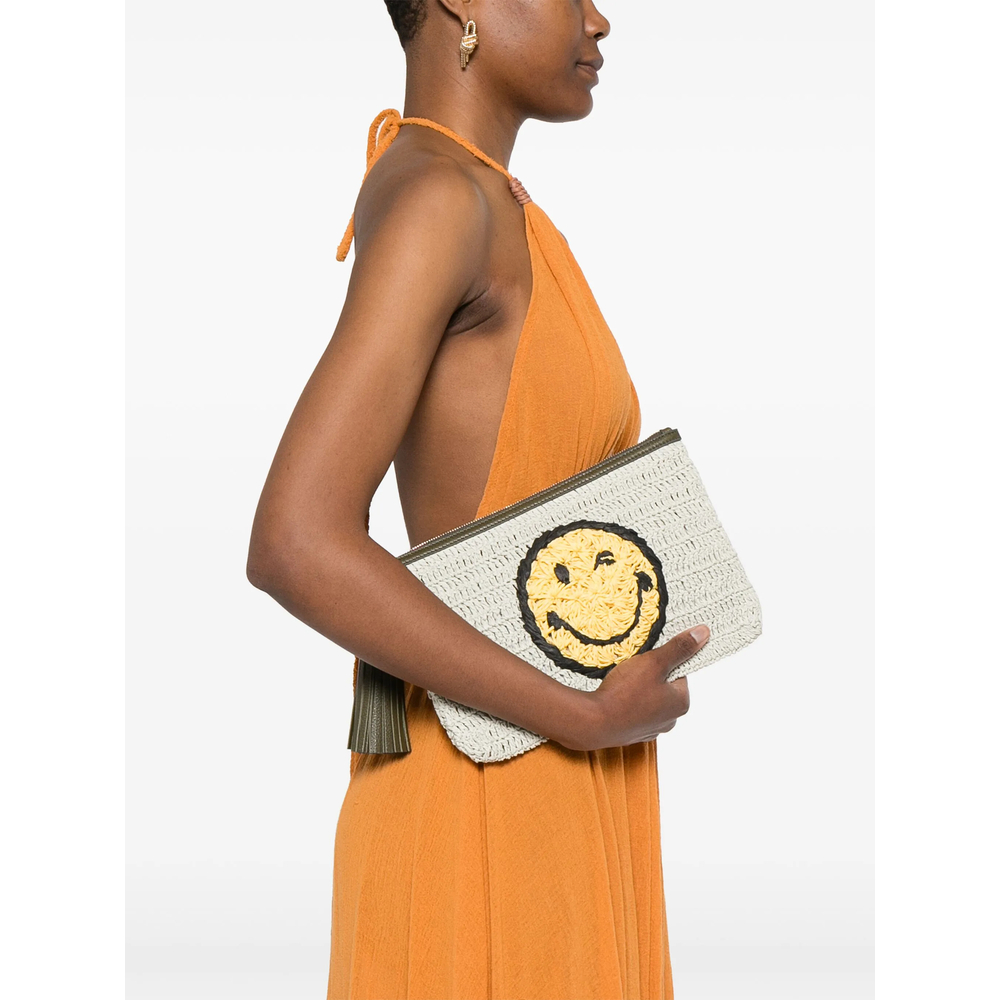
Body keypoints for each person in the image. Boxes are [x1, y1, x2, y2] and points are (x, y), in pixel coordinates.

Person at [247, 1, 710, 996]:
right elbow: (295, 538)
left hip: (553, 774)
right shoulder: (440, 200)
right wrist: (576, 713)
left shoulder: (488, 201)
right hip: (493, 787)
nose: (599, 19)